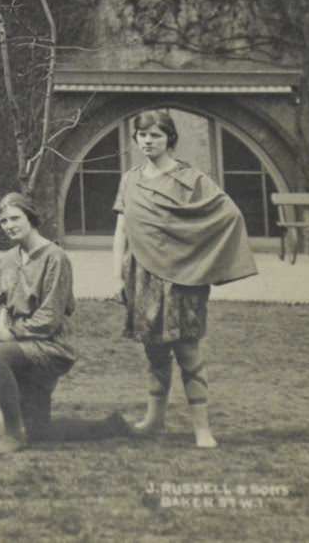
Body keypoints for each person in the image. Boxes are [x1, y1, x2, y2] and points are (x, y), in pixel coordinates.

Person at [112, 111, 257, 448]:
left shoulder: (192, 179)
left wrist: (194, 253)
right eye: (143, 135)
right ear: (135, 139)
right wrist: (116, 274)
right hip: (141, 276)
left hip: (183, 279)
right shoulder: (129, 179)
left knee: (188, 350)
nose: (148, 141)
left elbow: (228, 214)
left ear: (170, 139)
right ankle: (154, 419)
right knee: (154, 351)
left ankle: (201, 428)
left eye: (156, 135)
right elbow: (121, 229)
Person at [0, 193, 131, 453]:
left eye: (15, 218)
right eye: (3, 221)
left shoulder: (56, 257)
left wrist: (10, 333)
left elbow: (49, 319)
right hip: (21, 345)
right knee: (41, 431)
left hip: (50, 346)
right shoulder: (7, 259)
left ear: (31, 217)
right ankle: (110, 426)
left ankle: (13, 434)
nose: (9, 225)